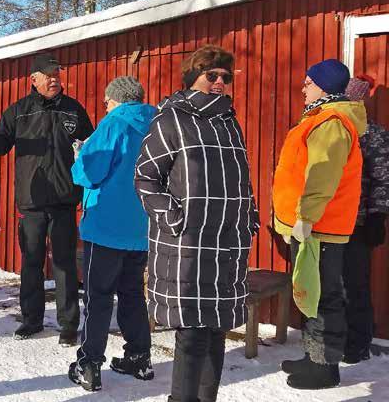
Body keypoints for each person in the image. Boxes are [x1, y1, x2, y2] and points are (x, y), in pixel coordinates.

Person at [135, 45, 259, 402]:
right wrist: (173, 217)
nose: (220, 82)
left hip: (226, 242)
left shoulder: (229, 122)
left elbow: (241, 177)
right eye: (212, 75)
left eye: (226, 77)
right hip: (187, 242)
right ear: (193, 79)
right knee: (191, 332)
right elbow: (145, 178)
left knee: (216, 328)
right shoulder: (171, 119)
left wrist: (247, 212)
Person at [0, 53, 94, 346]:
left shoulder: (73, 110)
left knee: (65, 264)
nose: (54, 79)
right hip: (31, 201)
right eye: (48, 75)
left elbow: (91, 144)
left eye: (57, 74)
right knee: (31, 263)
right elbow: (0, 146)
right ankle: (31, 320)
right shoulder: (19, 112)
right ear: (34, 79)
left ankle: (68, 325)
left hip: (65, 200)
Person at [273, 59, 366, 390]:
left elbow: (322, 175)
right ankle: (312, 355)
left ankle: (325, 367)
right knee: (310, 293)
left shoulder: (331, 123)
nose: (303, 87)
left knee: (324, 295)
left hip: (320, 226)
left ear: (325, 87)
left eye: (308, 82)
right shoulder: (320, 118)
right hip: (313, 226)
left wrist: (306, 218)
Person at [67, 76, 156, 392]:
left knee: (98, 297)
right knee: (133, 294)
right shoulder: (157, 124)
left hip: (106, 227)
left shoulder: (113, 124)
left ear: (117, 99)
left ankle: (88, 364)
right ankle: (139, 357)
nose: (105, 106)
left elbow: (89, 172)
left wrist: (80, 156)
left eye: (106, 101)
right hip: (141, 227)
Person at [341, 75, 388, 364]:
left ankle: (358, 342)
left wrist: (378, 216)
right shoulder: (329, 127)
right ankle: (328, 340)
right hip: (324, 222)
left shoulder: (373, 134)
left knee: (355, 283)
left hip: (357, 224)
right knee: (327, 284)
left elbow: (383, 178)